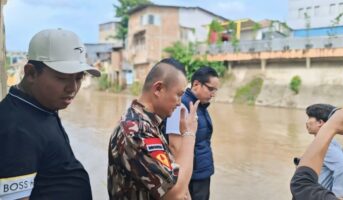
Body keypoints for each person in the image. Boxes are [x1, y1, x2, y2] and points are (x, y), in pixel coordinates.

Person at [0, 29, 100, 200]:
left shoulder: (41, 106)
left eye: (78, 78)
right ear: (31, 73)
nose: (73, 88)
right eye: (62, 78)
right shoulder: (16, 128)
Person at [108, 58, 200, 200]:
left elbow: (169, 174)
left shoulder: (147, 122)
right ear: (158, 89)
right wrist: (189, 134)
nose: (179, 102)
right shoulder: (138, 131)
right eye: (178, 94)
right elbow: (174, 194)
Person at [165, 66, 220, 200]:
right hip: (192, 177)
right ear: (196, 84)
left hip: (201, 173)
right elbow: (174, 146)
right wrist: (182, 184)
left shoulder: (198, 105)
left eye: (215, 90)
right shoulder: (181, 106)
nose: (213, 94)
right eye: (210, 89)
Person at [290, 107, 343, 200]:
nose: (307, 122)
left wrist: (339, 195)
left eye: (310, 118)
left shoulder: (327, 146)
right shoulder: (329, 143)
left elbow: (342, 165)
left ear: (320, 123)